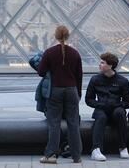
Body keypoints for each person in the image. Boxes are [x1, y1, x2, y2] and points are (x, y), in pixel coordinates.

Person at [37, 25, 83, 164]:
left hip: (55, 90)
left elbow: (41, 71)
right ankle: (76, 156)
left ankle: (51, 155)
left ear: (55, 36)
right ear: (68, 36)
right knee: (73, 124)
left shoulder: (49, 52)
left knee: (54, 124)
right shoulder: (75, 53)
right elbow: (79, 76)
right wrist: (78, 93)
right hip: (72, 90)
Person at [85, 52, 129, 161]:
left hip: (116, 109)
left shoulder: (123, 81)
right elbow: (88, 99)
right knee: (101, 117)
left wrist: (116, 105)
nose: (99, 65)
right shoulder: (95, 79)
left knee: (120, 113)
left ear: (110, 65)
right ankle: (96, 149)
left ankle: (123, 147)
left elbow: (128, 102)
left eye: (102, 63)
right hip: (101, 108)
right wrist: (100, 105)